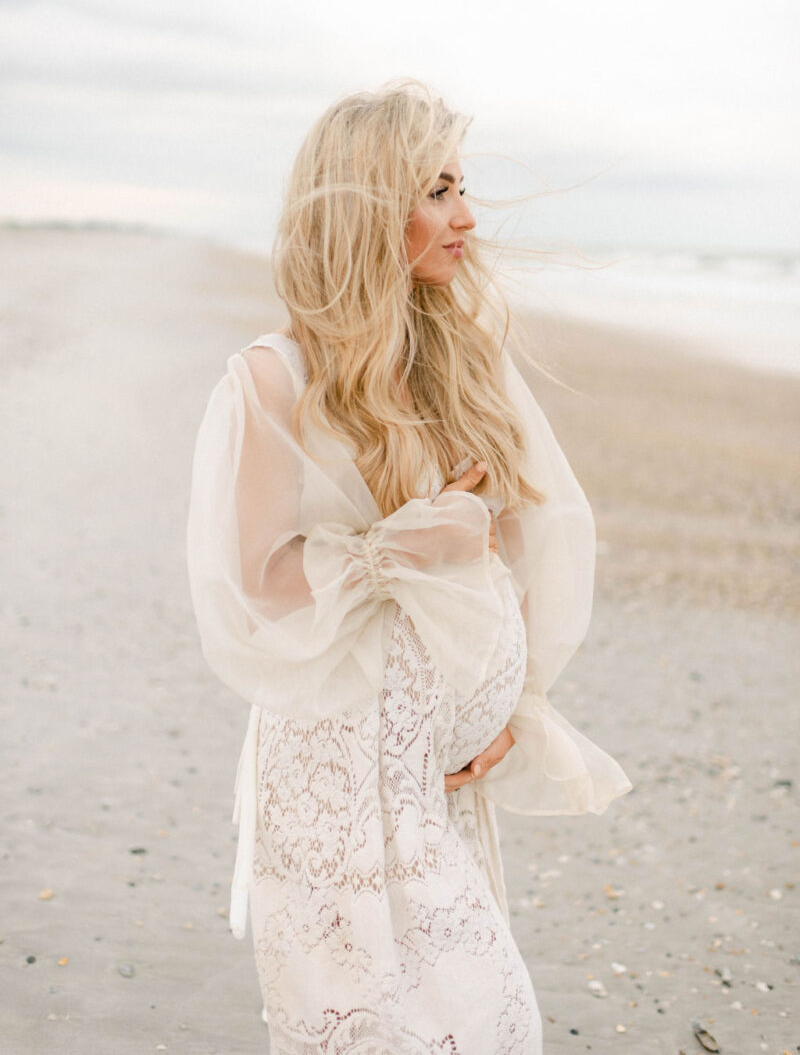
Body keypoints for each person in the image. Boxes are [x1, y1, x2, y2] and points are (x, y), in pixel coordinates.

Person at [186, 80, 632, 1054]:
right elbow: (255, 578)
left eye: (459, 187)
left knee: (485, 1020)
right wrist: (404, 542)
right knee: (355, 1024)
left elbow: (528, 539)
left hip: (438, 774)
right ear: (365, 204)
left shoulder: (459, 358)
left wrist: (519, 707)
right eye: (435, 189)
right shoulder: (274, 377)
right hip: (330, 763)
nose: (464, 215)